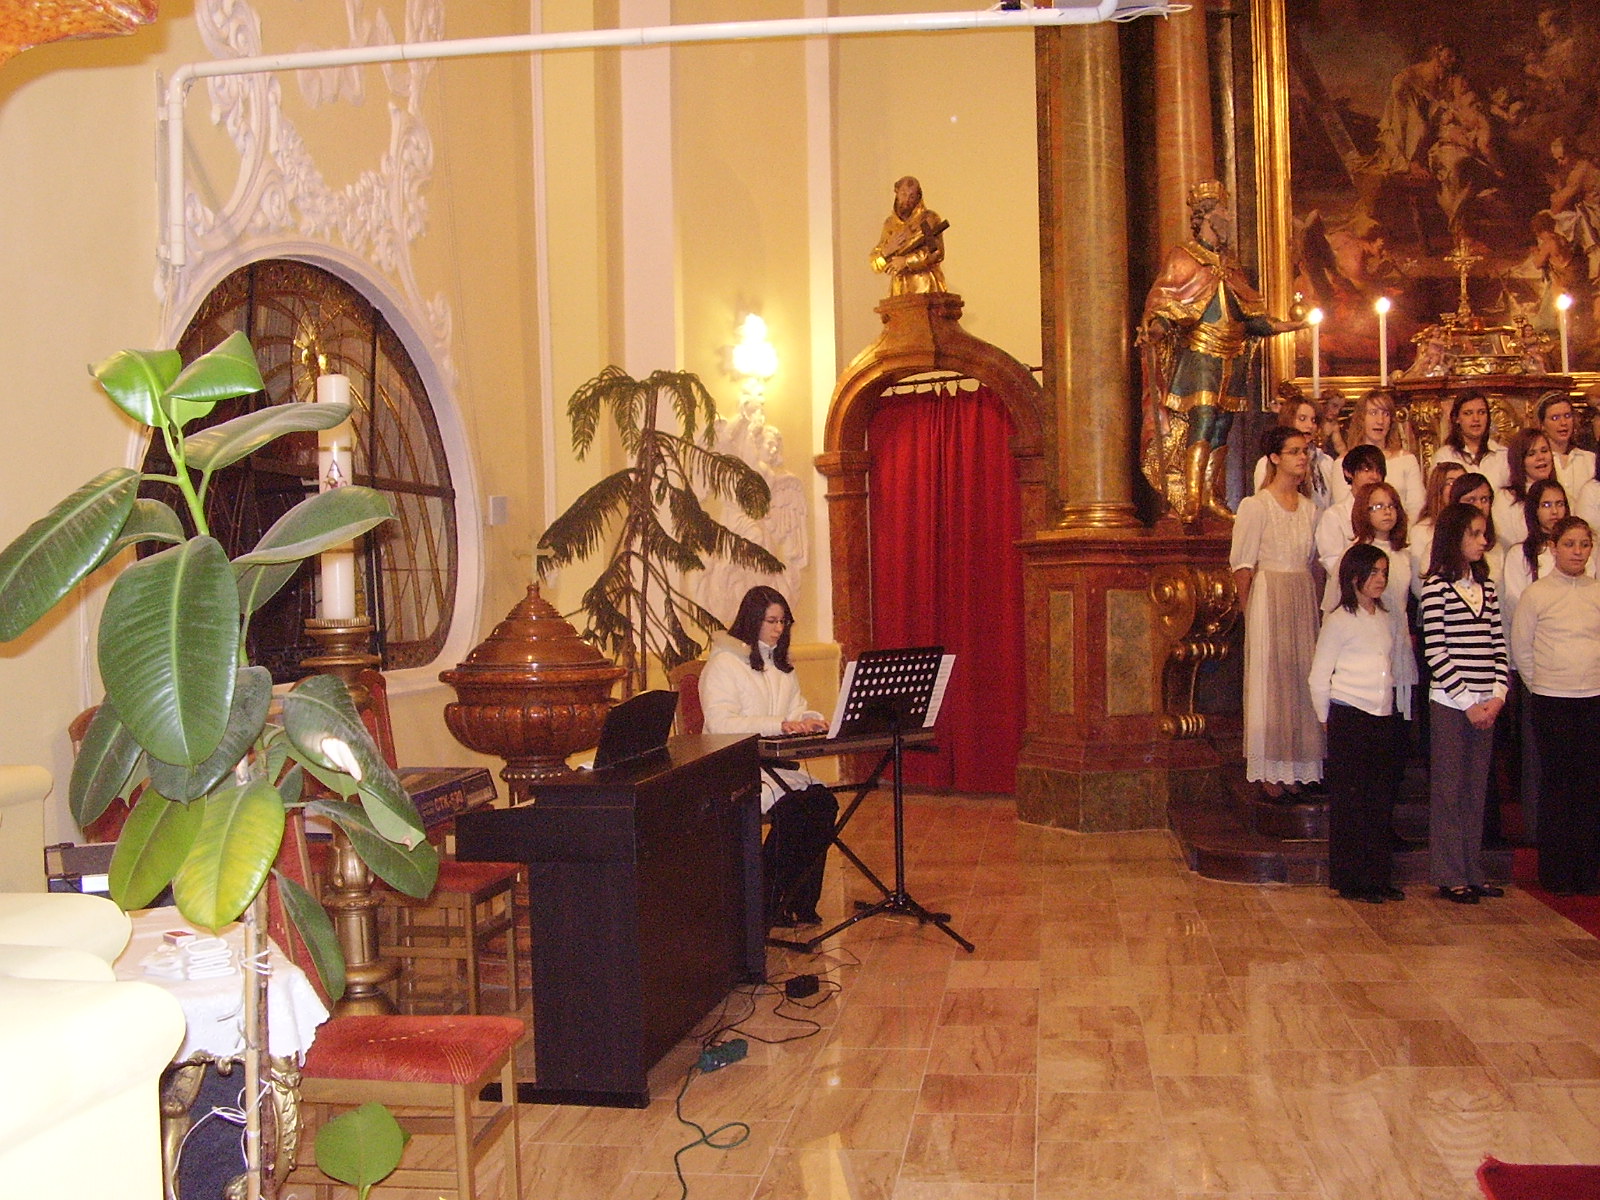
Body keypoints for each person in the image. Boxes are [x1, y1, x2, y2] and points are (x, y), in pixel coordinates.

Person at [1140, 180, 1305, 524]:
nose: (1228, 217)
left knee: (1221, 426)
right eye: (1222, 211)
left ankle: (1210, 496)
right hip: (1201, 354)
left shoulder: (1231, 266)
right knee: (1202, 419)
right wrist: (1155, 329)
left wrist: (1290, 326)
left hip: (1232, 357)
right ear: (1205, 216)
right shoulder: (1184, 256)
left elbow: (1250, 318)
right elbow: (1167, 306)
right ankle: (1190, 498)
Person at [699, 586, 839, 928]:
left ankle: (799, 901)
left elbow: (794, 709)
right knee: (794, 809)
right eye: (771, 621)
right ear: (752, 621)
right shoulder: (723, 665)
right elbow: (720, 724)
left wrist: (808, 719)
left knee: (823, 803)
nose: (779, 629)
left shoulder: (780, 664)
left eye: (783, 621)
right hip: (734, 766)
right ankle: (765, 902)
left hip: (772, 765)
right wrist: (779, 724)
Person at [1309, 543, 1409, 903]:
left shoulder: (1384, 617)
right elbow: (1318, 676)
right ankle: (1353, 880)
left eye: (1384, 572)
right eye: (1374, 572)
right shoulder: (1339, 620)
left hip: (1381, 715)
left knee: (1379, 801)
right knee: (1352, 802)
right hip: (1349, 714)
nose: (1381, 579)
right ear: (1354, 577)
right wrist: (1326, 718)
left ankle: (1378, 877)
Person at [1230, 427, 1325, 798]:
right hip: (1268, 595)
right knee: (1271, 680)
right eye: (1294, 451)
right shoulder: (1256, 506)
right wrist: (1249, 612)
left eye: (1305, 451)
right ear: (1274, 457)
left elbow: (1313, 563)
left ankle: (1298, 767)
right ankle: (1270, 769)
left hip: (1300, 593)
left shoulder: (1310, 509)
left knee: (1301, 677)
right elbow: (1242, 566)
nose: (1302, 458)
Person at [1421, 503, 1509, 904]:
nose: (1482, 541)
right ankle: (1450, 873)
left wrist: (1497, 695)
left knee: (1476, 790)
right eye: (1474, 533)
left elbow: (1498, 645)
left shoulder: (1486, 587)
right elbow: (1436, 651)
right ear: (1454, 537)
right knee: (1450, 789)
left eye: (1484, 533)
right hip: (1451, 703)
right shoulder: (1436, 587)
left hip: (1485, 702)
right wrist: (1467, 702)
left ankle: (1473, 870)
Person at [1511, 516, 1600, 895]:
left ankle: (1590, 872)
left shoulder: (1597, 592)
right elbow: (1522, 648)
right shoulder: (1537, 594)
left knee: (1591, 787)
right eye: (1570, 544)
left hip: (1594, 699)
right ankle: (1558, 873)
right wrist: (1544, 685)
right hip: (1552, 701)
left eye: (1584, 544)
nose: (1578, 552)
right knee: (1558, 785)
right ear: (1553, 548)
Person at [1321, 390, 1423, 519]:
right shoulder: (1343, 462)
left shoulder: (1406, 460)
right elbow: (1343, 511)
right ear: (1361, 418)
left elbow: (1416, 508)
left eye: (1386, 414)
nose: (1380, 421)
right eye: (1373, 413)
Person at [1315, 444, 1387, 611]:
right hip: (1347, 602)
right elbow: (1333, 564)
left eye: (1378, 471)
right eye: (1367, 470)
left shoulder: (1388, 513)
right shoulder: (1334, 516)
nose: (1374, 476)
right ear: (1349, 472)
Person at [1253, 393, 1333, 511]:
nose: (1310, 425)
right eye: (1302, 419)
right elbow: (1263, 506)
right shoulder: (1267, 463)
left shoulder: (1325, 461)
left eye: (1313, 420)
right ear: (1288, 421)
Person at [870, 176, 947, 297]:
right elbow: (875, 264)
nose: (907, 200)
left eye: (912, 196)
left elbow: (936, 252)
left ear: (918, 197)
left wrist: (906, 261)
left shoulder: (927, 219)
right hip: (899, 291)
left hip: (925, 288)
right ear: (897, 193)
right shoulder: (890, 225)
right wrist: (887, 251)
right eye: (903, 194)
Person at [1493, 428, 1556, 550]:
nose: (1540, 457)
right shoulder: (1506, 498)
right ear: (1519, 460)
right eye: (1531, 454)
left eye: (1544, 451)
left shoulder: (1561, 495)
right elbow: (1507, 539)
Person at [1410, 462, 1466, 596]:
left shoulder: (1474, 528)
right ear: (1438, 488)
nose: (1457, 488)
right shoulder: (1421, 531)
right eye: (1451, 483)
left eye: (1461, 482)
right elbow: (1419, 585)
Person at [1431, 392, 1507, 491]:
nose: (1476, 419)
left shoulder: (1503, 455)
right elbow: (1436, 495)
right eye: (1468, 413)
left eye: (1481, 412)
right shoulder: (1444, 456)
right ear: (1457, 419)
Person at [1536, 392, 1595, 496]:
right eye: (1555, 418)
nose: (1563, 423)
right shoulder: (1538, 461)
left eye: (1567, 416)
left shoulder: (1590, 459)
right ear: (1542, 425)